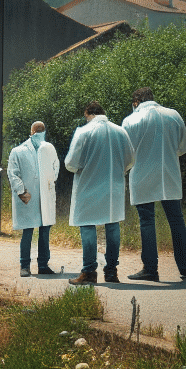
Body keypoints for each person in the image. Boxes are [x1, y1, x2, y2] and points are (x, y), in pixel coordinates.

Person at [121, 87, 186, 282]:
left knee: (147, 222)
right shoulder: (173, 114)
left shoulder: (130, 120)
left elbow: (127, 153)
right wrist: (170, 155)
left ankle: (150, 269)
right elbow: (184, 145)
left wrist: (127, 168)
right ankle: (185, 266)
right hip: (169, 174)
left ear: (135, 102)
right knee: (176, 220)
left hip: (143, 176)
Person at [65, 102, 135, 285]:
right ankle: (111, 272)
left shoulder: (83, 132)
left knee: (88, 226)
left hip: (89, 185)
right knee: (112, 227)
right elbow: (130, 160)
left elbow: (71, 163)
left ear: (88, 114)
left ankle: (89, 272)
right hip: (114, 187)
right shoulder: (120, 131)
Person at [7, 121, 60, 277]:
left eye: (42, 130)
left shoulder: (49, 149)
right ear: (30, 132)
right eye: (37, 131)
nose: (39, 133)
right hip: (28, 196)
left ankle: (43, 264)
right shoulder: (18, 151)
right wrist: (21, 191)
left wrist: (50, 181)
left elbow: (56, 167)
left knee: (45, 232)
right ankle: (25, 265)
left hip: (45, 195)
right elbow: (13, 173)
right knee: (28, 231)